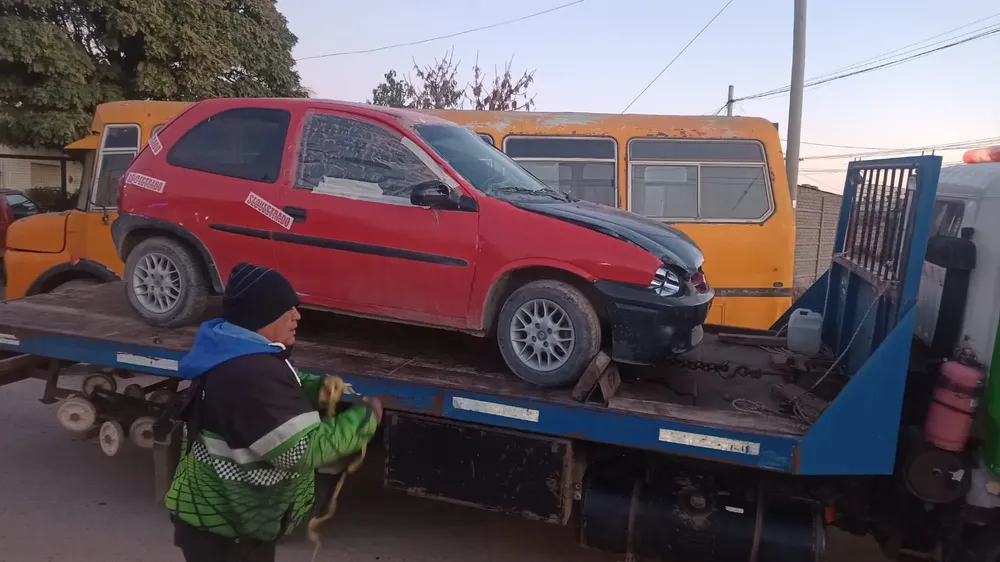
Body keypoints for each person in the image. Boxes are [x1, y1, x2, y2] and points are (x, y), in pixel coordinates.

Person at [163, 262, 382, 562]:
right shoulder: (251, 371)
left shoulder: (236, 351)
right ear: (261, 315)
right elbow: (301, 451)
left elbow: (268, 397)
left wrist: (314, 389)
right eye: (287, 309)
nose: (297, 316)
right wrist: (365, 419)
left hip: (219, 523)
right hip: (229, 532)